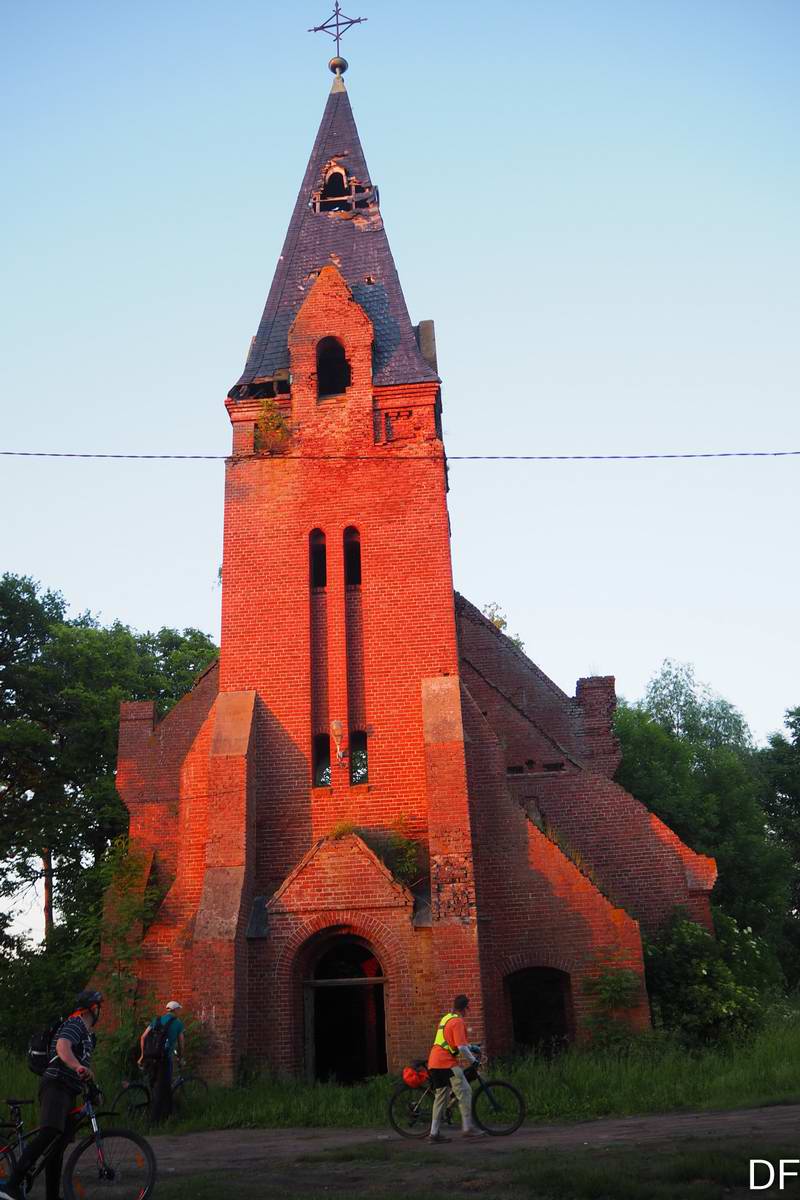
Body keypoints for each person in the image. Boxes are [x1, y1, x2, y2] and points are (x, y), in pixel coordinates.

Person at [0, 989, 102, 1200]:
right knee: (50, 1132)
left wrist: (93, 1088)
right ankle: (11, 1186)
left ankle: (52, 1197)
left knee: (57, 1146)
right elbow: (63, 1048)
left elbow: (82, 1067)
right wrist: (77, 1068)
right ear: (92, 1008)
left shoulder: (88, 1037)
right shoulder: (76, 1024)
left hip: (69, 1088)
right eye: (98, 1007)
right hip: (56, 1084)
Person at [427, 993, 486, 1143]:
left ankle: (434, 1134)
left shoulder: (447, 1018)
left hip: (434, 1062)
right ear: (466, 1008)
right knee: (465, 1091)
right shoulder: (458, 1022)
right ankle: (467, 1128)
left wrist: (472, 1047)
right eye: (468, 1008)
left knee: (440, 1097)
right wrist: (474, 1061)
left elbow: (453, 1042)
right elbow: (460, 1047)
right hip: (446, 1063)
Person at [137, 999, 185, 1123]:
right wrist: (181, 1057)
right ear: (175, 1010)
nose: (179, 1011)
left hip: (150, 1058)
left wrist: (142, 1056)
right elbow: (181, 1043)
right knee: (163, 1088)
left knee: (154, 1086)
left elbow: (143, 1037)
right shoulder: (178, 1023)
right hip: (164, 1059)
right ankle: (155, 1121)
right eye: (179, 1009)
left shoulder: (156, 1020)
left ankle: (164, 1114)